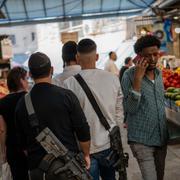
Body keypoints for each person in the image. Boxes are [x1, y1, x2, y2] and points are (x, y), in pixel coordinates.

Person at [15, 52, 91, 180]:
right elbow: (82, 129)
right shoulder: (67, 96)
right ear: (51, 70)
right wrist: (86, 154)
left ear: (30, 74)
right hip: (67, 169)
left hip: (38, 171)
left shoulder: (22, 104)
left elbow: (22, 144)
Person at [64, 39, 122, 180]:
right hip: (109, 144)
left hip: (85, 149)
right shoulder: (113, 79)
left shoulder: (68, 84)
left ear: (77, 58)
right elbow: (119, 111)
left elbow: (68, 119)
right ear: (97, 57)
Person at [121, 35, 168, 180]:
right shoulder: (129, 76)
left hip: (161, 137)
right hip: (141, 140)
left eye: (156, 54)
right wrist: (138, 80)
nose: (153, 59)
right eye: (148, 56)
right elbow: (130, 108)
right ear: (139, 56)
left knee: (160, 176)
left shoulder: (159, 74)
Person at [0, 67, 29, 180]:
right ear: (21, 81)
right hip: (30, 148)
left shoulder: (2, 103)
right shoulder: (29, 98)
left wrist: (3, 153)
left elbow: (2, 130)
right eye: (26, 79)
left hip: (13, 150)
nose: (27, 82)